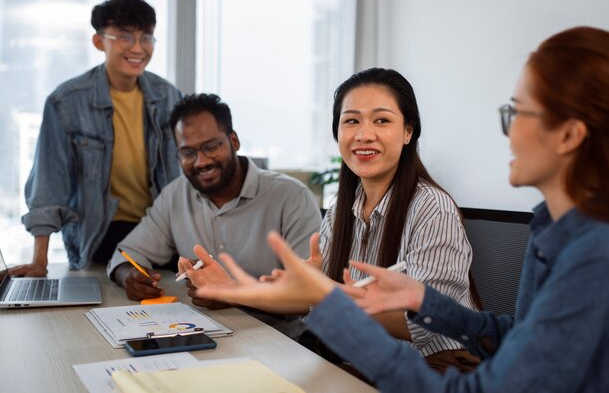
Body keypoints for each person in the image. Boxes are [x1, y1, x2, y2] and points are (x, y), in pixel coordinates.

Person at [196, 26, 609, 392]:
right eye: (351, 121)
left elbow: (485, 375)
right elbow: (516, 335)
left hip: (429, 367)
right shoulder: (549, 227)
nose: (508, 130)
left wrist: (328, 302)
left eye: (516, 112)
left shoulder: (591, 253)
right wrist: (241, 288)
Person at [187, 68, 479, 372]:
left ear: (408, 131)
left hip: (436, 369)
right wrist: (233, 288)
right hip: (362, 362)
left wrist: (324, 294)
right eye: (351, 121)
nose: (364, 134)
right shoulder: (343, 206)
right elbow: (310, 301)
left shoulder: (432, 208)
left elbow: (423, 323)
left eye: (382, 120)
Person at [107, 93, 321, 336]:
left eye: (211, 147)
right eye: (188, 153)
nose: (201, 162)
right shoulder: (175, 195)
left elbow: (309, 296)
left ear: (234, 141)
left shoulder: (291, 196)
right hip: (203, 333)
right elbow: (126, 254)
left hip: (279, 340)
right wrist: (129, 276)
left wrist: (235, 294)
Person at [14, 0, 182, 276]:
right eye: (125, 37)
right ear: (98, 41)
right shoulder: (66, 102)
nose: (138, 48)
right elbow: (48, 182)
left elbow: (184, 180)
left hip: (161, 229)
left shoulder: (169, 97)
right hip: (101, 234)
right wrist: (39, 261)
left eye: (147, 38)